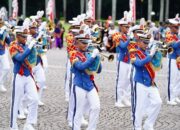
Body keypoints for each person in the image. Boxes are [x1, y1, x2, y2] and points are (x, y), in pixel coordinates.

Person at [70, 33, 101, 130]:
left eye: (86, 43)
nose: (85, 45)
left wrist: (97, 59)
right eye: (83, 43)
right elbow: (81, 66)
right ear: (77, 43)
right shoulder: (73, 54)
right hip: (79, 85)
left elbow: (98, 70)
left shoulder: (89, 54)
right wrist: (92, 57)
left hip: (90, 85)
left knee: (96, 107)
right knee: (78, 111)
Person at [130, 33, 162, 130]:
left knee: (158, 102)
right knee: (139, 108)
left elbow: (157, 67)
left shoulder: (148, 52)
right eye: (144, 42)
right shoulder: (133, 52)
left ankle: (148, 124)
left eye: (147, 42)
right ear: (139, 42)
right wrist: (151, 55)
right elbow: (139, 64)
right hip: (139, 83)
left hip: (150, 83)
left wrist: (157, 56)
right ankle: (137, 128)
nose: (146, 44)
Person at [9, 27, 39, 130]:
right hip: (18, 75)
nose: (25, 38)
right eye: (23, 36)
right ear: (17, 36)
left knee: (35, 99)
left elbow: (34, 61)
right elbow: (20, 58)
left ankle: (29, 123)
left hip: (28, 75)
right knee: (15, 102)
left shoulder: (26, 45)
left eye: (26, 36)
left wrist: (34, 48)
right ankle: (13, 126)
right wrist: (30, 47)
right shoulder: (13, 46)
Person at [114, 18, 132, 107]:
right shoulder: (117, 35)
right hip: (122, 61)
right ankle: (118, 100)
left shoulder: (127, 35)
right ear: (121, 26)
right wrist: (129, 38)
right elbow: (123, 46)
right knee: (121, 81)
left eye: (128, 27)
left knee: (128, 81)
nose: (128, 28)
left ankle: (126, 98)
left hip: (129, 61)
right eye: (126, 27)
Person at [165, 18, 180, 105]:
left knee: (178, 78)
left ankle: (175, 96)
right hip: (172, 58)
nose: (177, 29)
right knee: (172, 78)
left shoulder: (177, 35)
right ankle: (170, 98)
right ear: (171, 27)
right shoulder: (168, 34)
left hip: (178, 58)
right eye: (176, 27)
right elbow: (173, 45)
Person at [0, 16, 11, 92]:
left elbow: (9, 42)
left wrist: (7, 34)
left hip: (2, 51)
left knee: (7, 68)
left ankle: (1, 83)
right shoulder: (1, 31)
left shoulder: (3, 30)